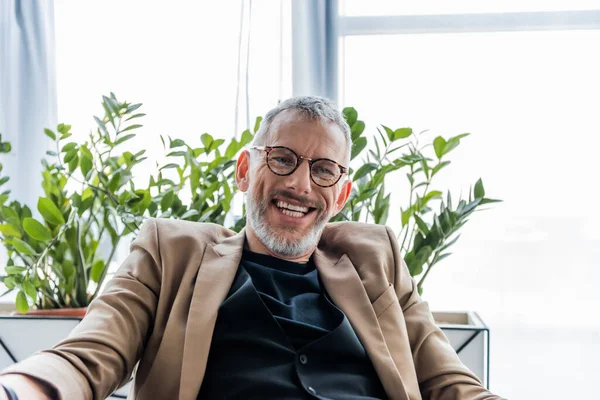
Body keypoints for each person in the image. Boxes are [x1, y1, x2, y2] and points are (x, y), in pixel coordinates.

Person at [0, 97, 504, 400]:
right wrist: (21, 390)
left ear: (342, 193)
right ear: (245, 169)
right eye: (282, 159)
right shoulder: (170, 252)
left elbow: (451, 383)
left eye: (324, 170)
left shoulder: (377, 259)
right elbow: (90, 355)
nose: (301, 185)